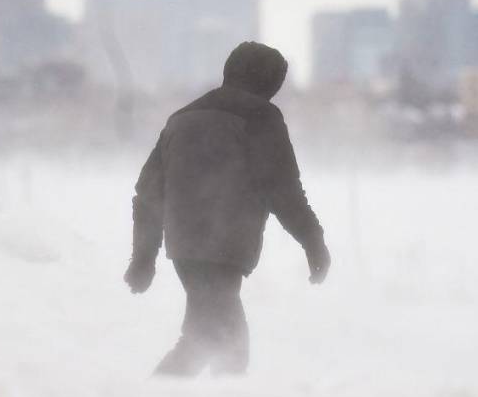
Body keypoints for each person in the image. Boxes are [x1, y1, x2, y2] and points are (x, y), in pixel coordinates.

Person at [124, 41, 330, 377]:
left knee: (208, 339)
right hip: (225, 246)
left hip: (185, 248)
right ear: (269, 82)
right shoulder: (261, 116)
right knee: (224, 346)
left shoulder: (182, 117)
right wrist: (313, 242)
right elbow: (283, 188)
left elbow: (148, 193)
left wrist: (143, 258)